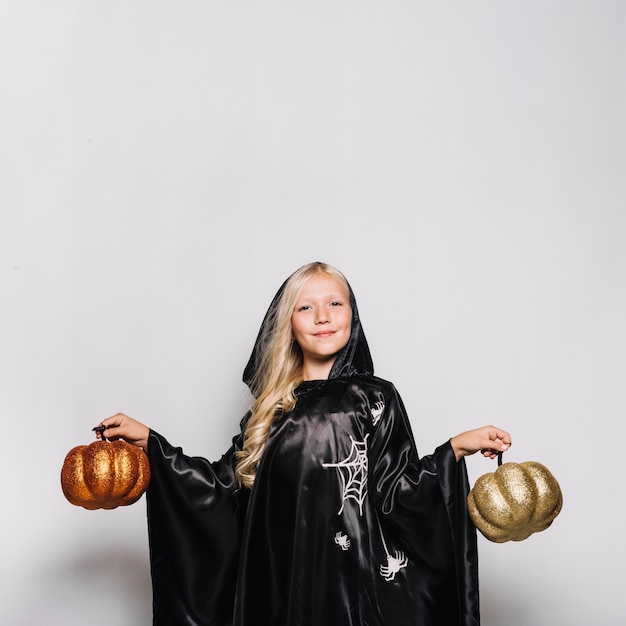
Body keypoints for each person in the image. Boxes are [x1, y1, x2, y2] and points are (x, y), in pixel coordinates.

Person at [96, 261, 511, 626]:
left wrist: (453, 450)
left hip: (356, 589)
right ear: (289, 324)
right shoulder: (269, 413)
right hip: (283, 586)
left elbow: (399, 491)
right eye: (305, 307)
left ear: (353, 315)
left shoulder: (376, 399)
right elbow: (223, 487)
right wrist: (152, 444)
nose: (322, 317)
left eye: (335, 303)